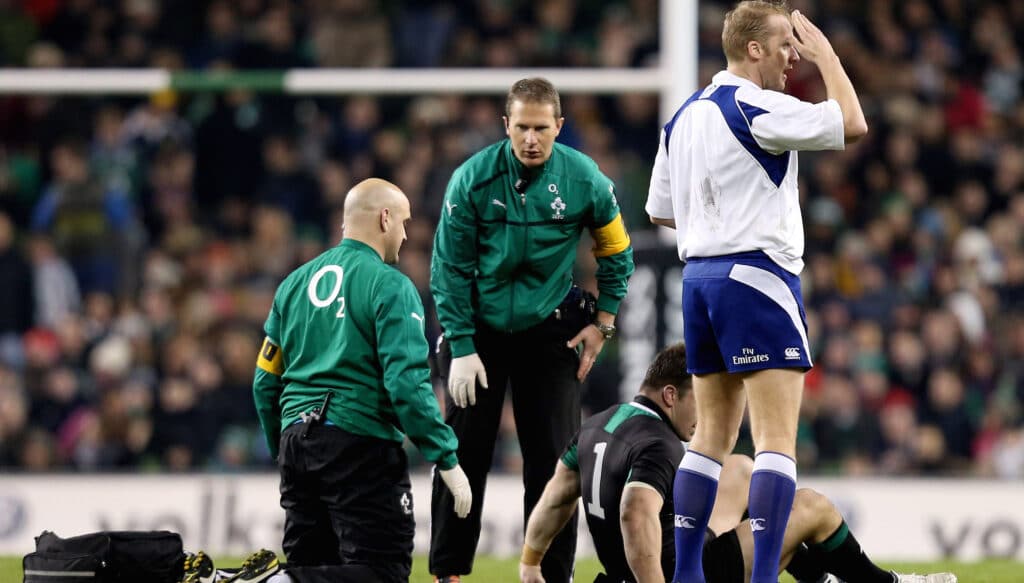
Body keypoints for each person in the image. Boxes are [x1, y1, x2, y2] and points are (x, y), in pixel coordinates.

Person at [643, 4, 868, 582]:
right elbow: (851, 122)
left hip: (699, 282)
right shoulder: (756, 104)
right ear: (753, 51)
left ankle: (688, 576)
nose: (795, 55)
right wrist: (829, 57)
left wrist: (715, 222)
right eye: (785, 46)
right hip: (757, 278)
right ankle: (763, 577)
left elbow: (661, 211)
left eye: (799, 47)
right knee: (774, 441)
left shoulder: (684, 117)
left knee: (711, 438)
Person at [518, 344, 957, 583]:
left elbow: (556, 498)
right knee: (811, 507)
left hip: (656, 559)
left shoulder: (599, 424)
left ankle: (819, 581)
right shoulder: (659, 444)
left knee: (742, 469)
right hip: (688, 574)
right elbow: (636, 513)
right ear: (671, 395)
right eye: (700, 401)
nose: (706, 416)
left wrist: (530, 561)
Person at [430, 77, 635, 583]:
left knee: (555, 465)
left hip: (550, 331)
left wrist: (602, 323)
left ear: (559, 127)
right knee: (461, 454)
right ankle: (448, 574)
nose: (531, 138)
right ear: (506, 126)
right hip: (478, 332)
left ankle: (550, 575)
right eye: (521, 127)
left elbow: (618, 252)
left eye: (541, 128)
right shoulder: (471, 180)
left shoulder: (585, 180)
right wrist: (460, 345)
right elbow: (447, 269)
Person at [251, 178, 473, 583]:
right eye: (404, 222)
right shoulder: (391, 286)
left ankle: (282, 579)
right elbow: (406, 384)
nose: (406, 235)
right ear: (385, 218)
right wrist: (445, 454)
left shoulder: (293, 285)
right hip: (358, 444)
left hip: (296, 444)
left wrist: (281, 448)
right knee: (381, 572)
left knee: (311, 569)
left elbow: (264, 383)